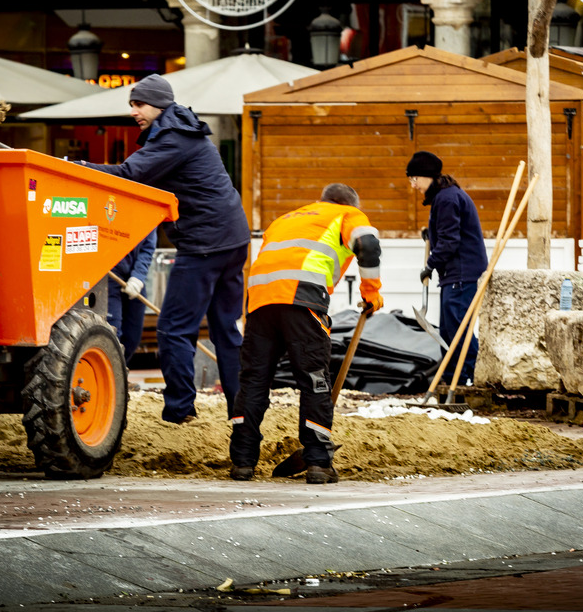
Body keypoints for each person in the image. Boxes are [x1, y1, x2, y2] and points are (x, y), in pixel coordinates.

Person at [77, 74, 250, 423]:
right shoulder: (186, 132)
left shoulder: (173, 138)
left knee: (173, 328)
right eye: (131, 105)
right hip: (233, 239)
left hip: (205, 244)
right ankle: (242, 413)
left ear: (157, 104)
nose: (133, 112)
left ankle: (180, 411)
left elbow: (128, 174)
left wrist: (78, 169)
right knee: (226, 330)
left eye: (138, 104)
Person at [228, 183, 383, 484]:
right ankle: (318, 462)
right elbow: (368, 244)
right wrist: (371, 292)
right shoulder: (347, 214)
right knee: (314, 381)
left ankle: (242, 462)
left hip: (260, 302)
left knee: (253, 381)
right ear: (350, 204)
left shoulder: (287, 219)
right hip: (302, 299)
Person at [406, 150, 488, 384]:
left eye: (414, 179)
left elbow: (451, 241)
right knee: (448, 330)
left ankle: (469, 378)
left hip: (462, 273)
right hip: (457, 273)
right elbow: (449, 232)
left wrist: (430, 265)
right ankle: (454, 379)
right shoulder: (446, 197)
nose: (414, 186)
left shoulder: (447, 199)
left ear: (426, 176)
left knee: (457, 329)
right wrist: (430, 233)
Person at [107, 228, 157, 364]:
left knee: (133, 335)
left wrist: (138, 277)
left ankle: (120, 371)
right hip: (108, 274)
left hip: (133, 275)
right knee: (112, 331)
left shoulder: (150, 213)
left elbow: (148, 247)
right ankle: (113, 376)